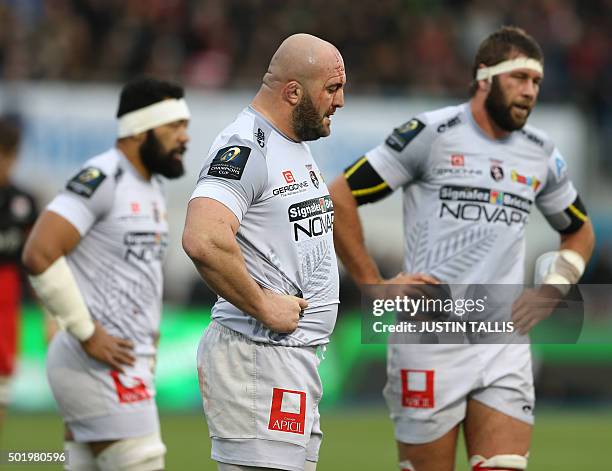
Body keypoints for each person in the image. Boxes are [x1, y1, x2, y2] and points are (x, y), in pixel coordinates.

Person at [329, 26, 595, 471]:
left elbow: (580, 231)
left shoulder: (540, 153)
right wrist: (373, 284)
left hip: (503, 341)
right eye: (520, 79)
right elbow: (339, 196)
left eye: (537, 83)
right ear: (485, 77)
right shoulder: (430, 134)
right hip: (429, 338)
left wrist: (552, 290)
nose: (530, 92)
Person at [182, 33, 345, 471]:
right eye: (332, 88)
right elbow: (203, 238)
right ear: (293, 91)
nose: (341, 101)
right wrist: (262, 305)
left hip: (289, 361)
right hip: (257, 357)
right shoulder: (247, 146)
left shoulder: (292, 145)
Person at [22, 77, 190, 471]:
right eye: (174, 127)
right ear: (139, 131)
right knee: (143, 462)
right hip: (98, 362)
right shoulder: (103, 177)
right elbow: (39, 252)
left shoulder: (151, 186)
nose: (184, 138)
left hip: (127, 362)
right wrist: (87, 331)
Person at [0, 115, 38, 436]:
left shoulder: (23, 201)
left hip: (7, 294)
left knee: (2, 377)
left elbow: (37, 259)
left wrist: (51, 308)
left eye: (10, 155)